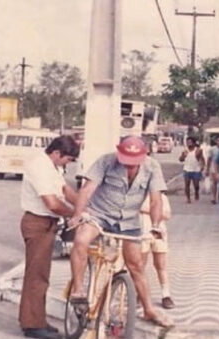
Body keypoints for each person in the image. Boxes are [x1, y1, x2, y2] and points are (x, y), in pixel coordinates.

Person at [67, 136, 173, 328]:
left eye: (134, 164)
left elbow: (156, 200)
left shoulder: (152, 167)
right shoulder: (106, 161)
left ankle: (148, 309)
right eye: (126, 162)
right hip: (99, 215)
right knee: (81, 239)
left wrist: (156, 225)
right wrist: (79, 214)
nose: (129, 167)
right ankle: (78, 290)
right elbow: (86, 190)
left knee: (136, 266)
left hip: (129, 221)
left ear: (144, 155)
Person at [18, 135, 81, 339]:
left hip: (48, 224)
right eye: (68, 159)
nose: (69, 164)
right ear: (56, 153)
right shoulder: (39, 167)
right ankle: (32, 325)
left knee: (42, 274)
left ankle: (38, 319)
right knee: (37, 276)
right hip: (38, 223)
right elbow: (52, 204)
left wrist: (83, 205)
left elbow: (64, 189)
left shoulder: (53, 167)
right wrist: (76, 214)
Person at [140, 192, 174, 309]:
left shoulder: (161, 197)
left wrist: (146, 208)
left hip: (158, 233)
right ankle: (140, 293)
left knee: (161, 265)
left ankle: (166, 294)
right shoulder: (136, 195)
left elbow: (167, 214)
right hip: (141, 234)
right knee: (140, 266)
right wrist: (154, 209)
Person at [179, 137, 205, 204]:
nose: (189, 144)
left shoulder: (198, 150)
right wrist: (183, 156)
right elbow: (180, 159)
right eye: (187, 142)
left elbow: (202, 159)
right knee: (187, 184)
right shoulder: (185, 150)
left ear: (194, 143)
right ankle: (188, 198)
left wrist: (202, 166)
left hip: (196, 170)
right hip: (187, 169)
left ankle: (196, 192)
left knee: (196, 185)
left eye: (190, 142)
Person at [205, 135, 219, 204]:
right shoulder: (212, 149)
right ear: (216, 141)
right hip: (214, 168)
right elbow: (209, 159)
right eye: (218, 140)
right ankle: (214, 197)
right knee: (214, 183)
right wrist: (207, 169)